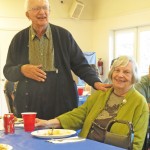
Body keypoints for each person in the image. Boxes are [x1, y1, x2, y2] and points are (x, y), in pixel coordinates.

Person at [3, 0, 111, 120]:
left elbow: (81, 65)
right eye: (36, 8)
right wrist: (22, 70)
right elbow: (8, 71)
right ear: (27, 15)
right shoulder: (19, 39)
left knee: (61, 136)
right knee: (29, 138)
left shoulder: (64, 36)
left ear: (50, 11)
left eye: (45, 8)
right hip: (30, 107)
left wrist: (95, 82)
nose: (42, 12)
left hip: (61, 104)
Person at [35, 55, 149, 150]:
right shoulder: (101, 94)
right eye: (117, 70)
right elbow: (78, 115)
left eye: (126, 72)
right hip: (85, 145)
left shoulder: (139, 102)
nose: (120, 75)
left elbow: (137, 144)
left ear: (134, 76)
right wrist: (48, 123)